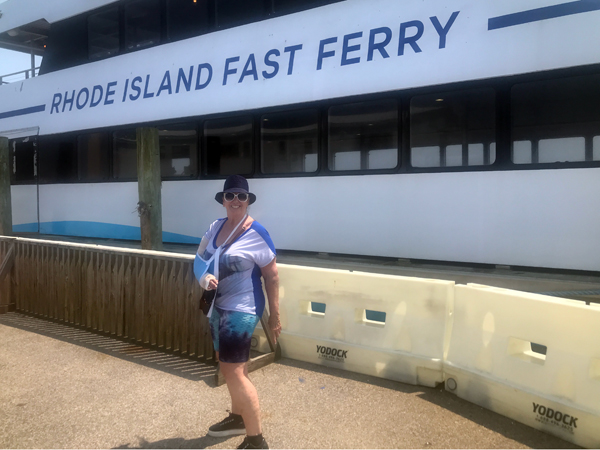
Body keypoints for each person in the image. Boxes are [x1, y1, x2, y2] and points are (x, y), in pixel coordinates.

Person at [197, 174, 281, 450]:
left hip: (242, 308)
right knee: (230, 363)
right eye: (230, 195)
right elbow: (200, 260)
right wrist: (203, 277)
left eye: (241, 196)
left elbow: (272, 276)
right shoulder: (215, 226)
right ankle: (236, 418)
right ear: (222, 200)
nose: (235, 200)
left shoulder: (257, 233)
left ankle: (256, 439)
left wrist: (275, 316)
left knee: (233, 371)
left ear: (248, 201)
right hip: (217, 305)